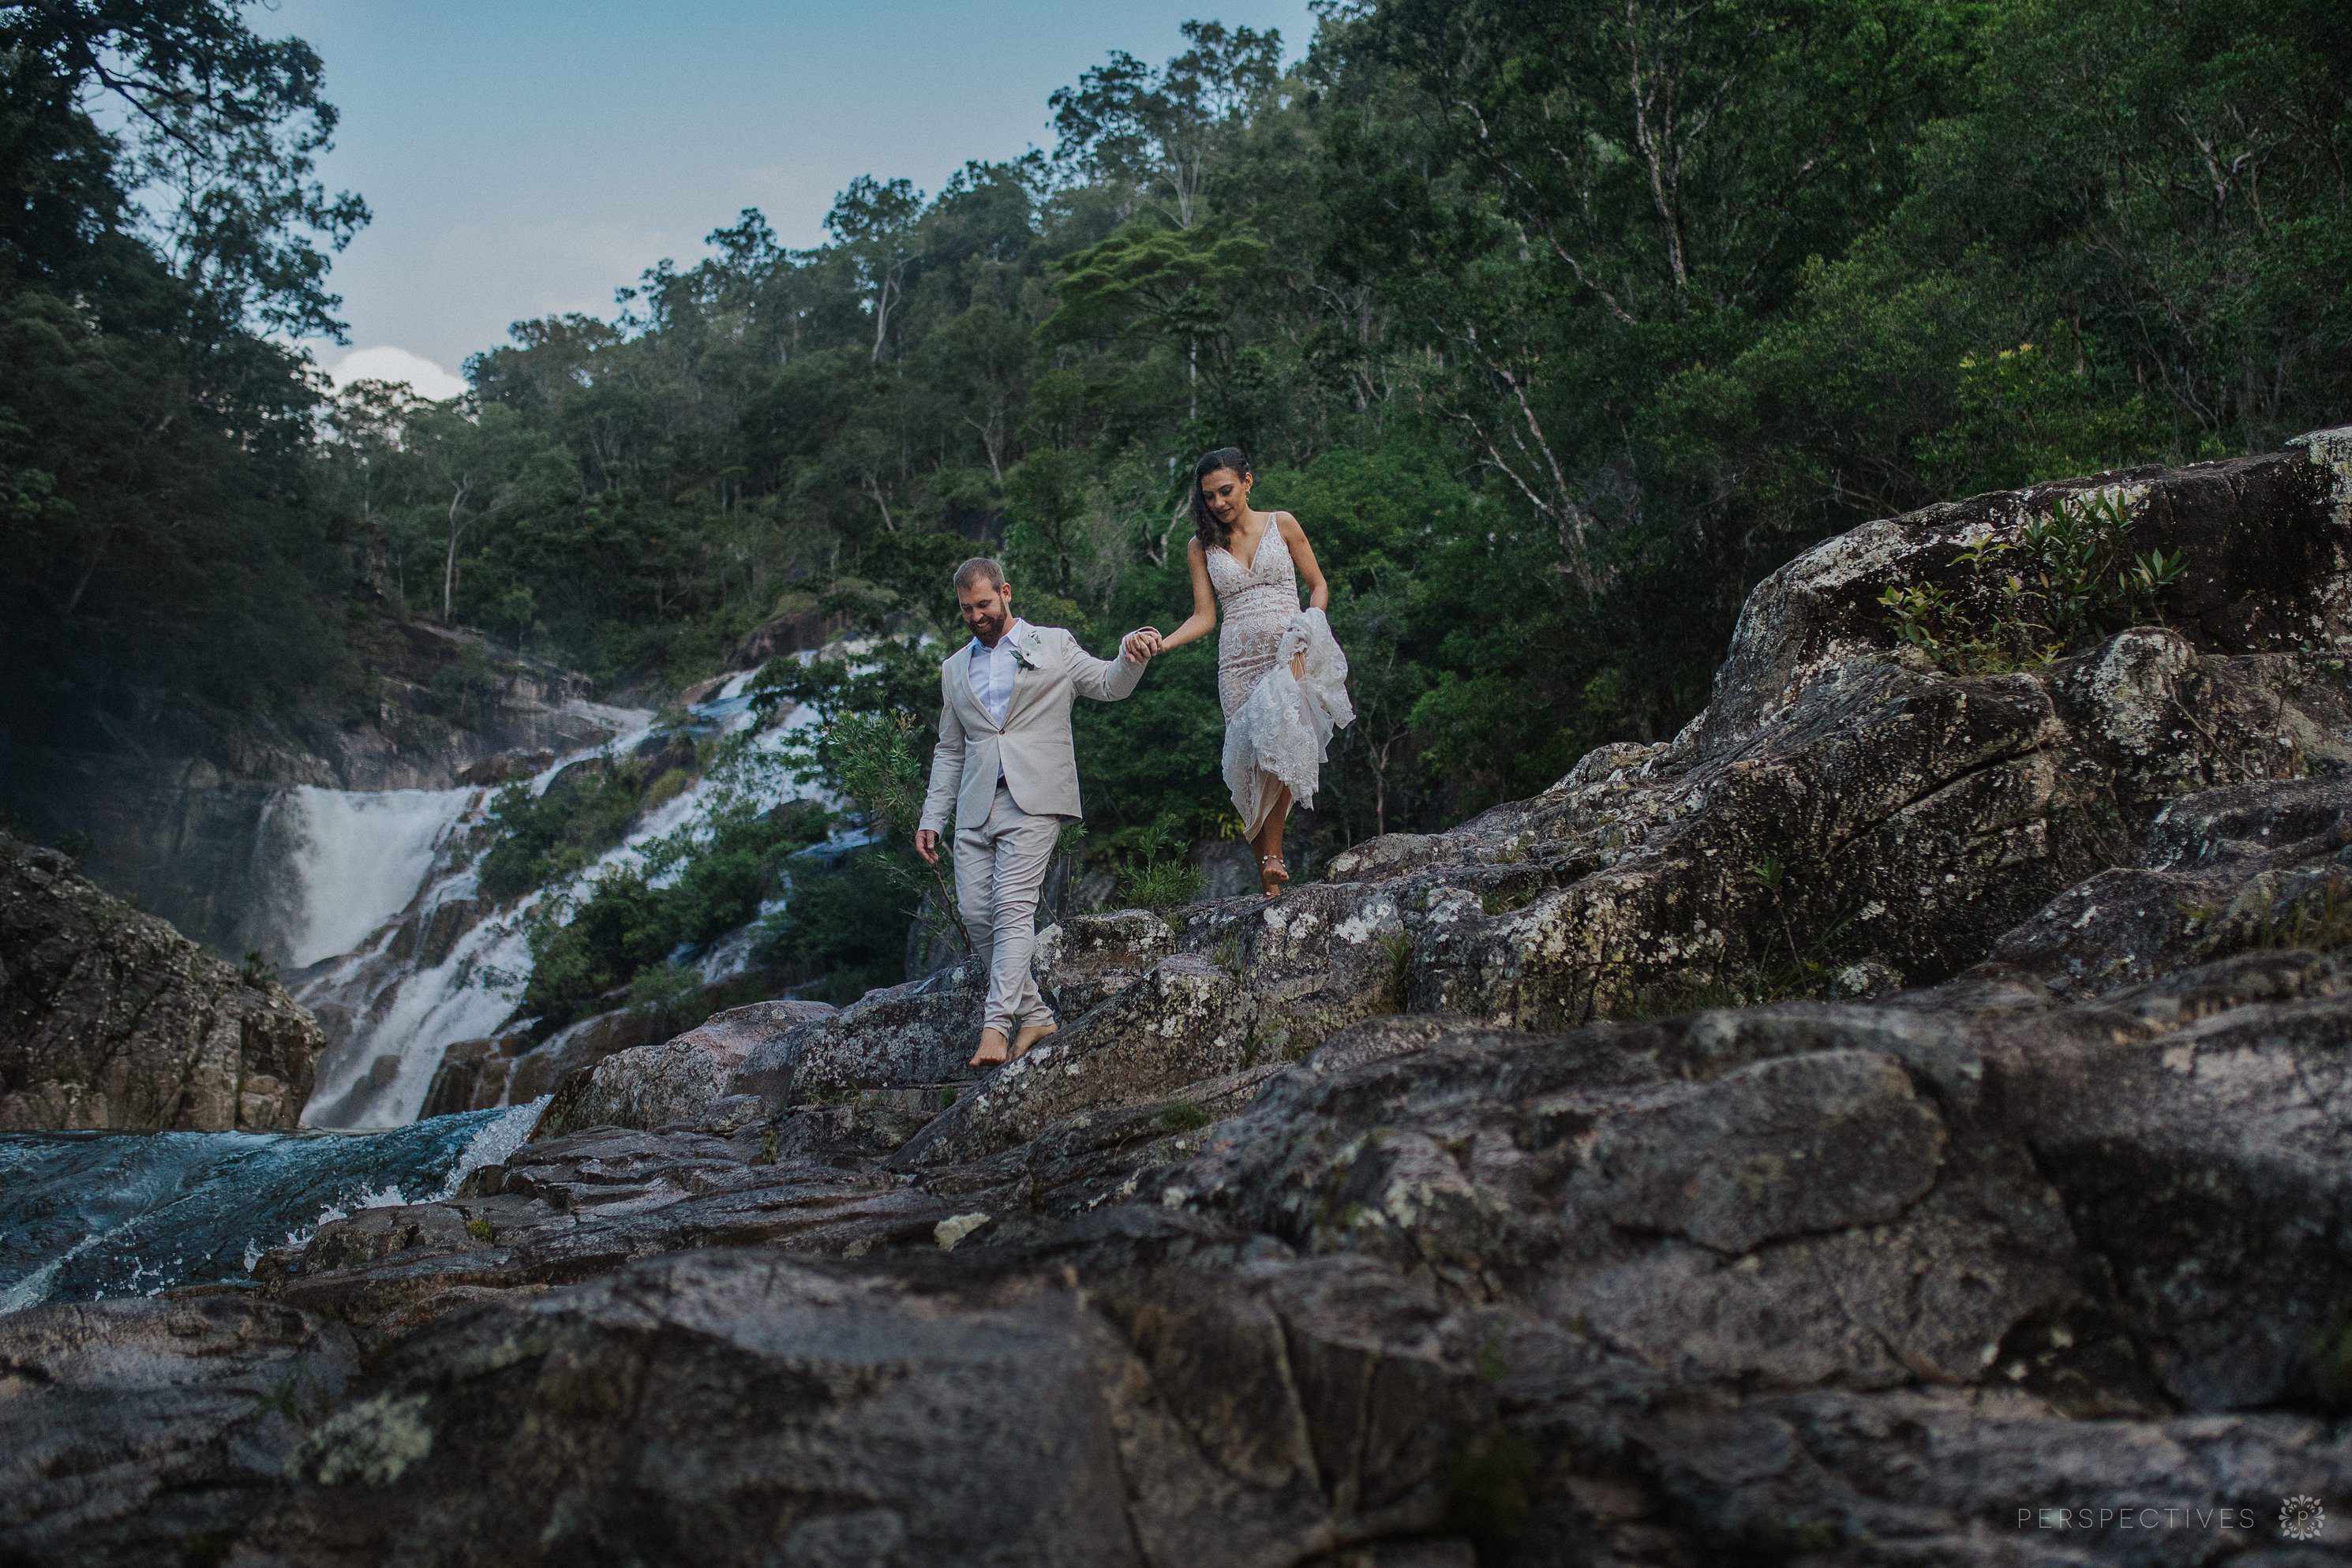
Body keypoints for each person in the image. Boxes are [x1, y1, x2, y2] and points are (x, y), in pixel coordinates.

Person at [916, 557, 1161, 1068]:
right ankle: (1036, 1015)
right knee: (976, 915)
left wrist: (1131, 652)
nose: (976, 616)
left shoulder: (1054, 644)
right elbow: (950, 750)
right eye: (966, 609)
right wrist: (931, 818)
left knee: (1012, 907)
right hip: (975, 807)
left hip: (1035, 799)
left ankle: (995, 1026)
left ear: (1006, 592)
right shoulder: (953, 669)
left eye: (984, 604)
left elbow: (1110, 684)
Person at [1126, 447, 1353, 896]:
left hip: (1288, 651)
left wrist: (1311, 625)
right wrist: (1163, 644)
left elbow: (1318, 584)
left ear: (1248, 482)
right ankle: (1269, 885)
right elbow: (1204, 616)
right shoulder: (1200, 546)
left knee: (1281, 740)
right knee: (1247, 764)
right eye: (1209, 496)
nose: (1219, 503)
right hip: (1236, 664)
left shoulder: (1282, 524)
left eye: (1226, 491)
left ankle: (1274, 855)